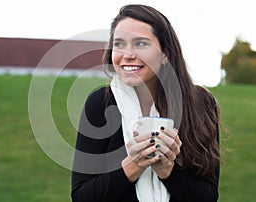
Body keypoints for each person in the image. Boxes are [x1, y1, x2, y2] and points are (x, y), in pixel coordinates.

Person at [71, 4, 220, 202]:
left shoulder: (200, 103)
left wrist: (168, 170)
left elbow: (208, 196)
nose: (127, 54)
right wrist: (134, 165)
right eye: (119, 44)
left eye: (140, 43)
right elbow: (82, 196)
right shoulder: (100, 103)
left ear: (166, 53)